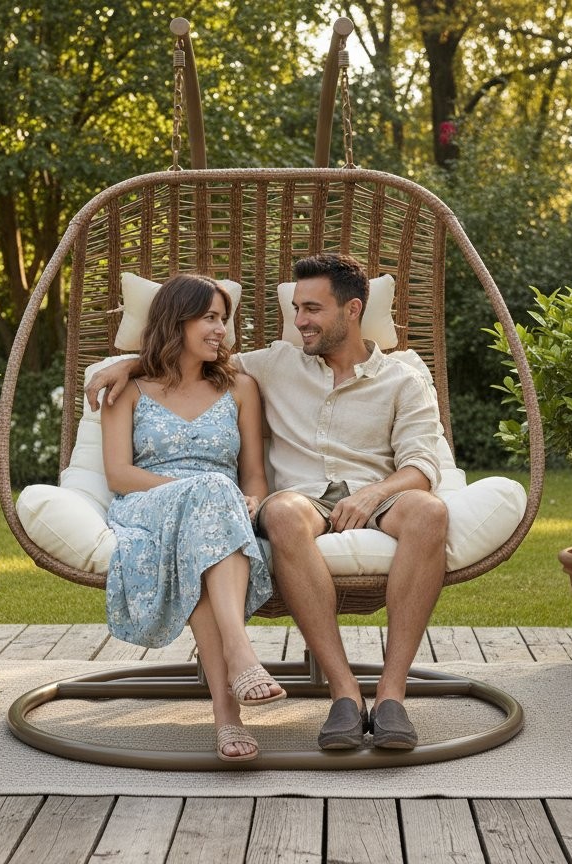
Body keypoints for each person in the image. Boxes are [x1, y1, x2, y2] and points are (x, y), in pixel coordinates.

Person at [89, 254, 448, 751]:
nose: (299, 320)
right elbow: (187, 360)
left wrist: (374, 494)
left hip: (378, 492)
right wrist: (129, 363)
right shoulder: (275, 362)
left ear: (353, 310)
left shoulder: (404, 378)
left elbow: (421, 466)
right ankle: (345, 694)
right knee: (278, 510)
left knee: (430, 510)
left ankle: (391, 697)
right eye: (296, 308)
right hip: (301, 500)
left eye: (312, 309)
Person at [100, 273, 284, 763]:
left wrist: (252, 501)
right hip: (147, 504)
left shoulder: (241, 387)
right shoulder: (128, 389)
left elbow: (253, 475)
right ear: (175, 320)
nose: (221, 329)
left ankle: (227, 715)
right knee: (210, 495)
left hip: (220, 511)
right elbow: (119, 474)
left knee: (206, 534)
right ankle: (240, 654)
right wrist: (197, 492)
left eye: (223, 319)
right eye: (209, 318)